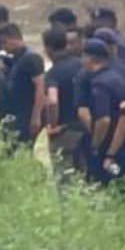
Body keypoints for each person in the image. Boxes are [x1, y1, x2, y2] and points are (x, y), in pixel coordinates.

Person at [84, 39, 125, 192]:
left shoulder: (100, 84)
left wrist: (95, 144)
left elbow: (104, 120)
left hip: (111, 145)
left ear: (90, 58)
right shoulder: (120, 78)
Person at [42, 25, 86, 175]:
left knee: (65, 179)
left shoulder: (53, 74)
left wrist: (52, 124)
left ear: (48, 48)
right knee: (85, 178)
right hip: (85, 129)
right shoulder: (82, 65)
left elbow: (53, 101)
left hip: (64, 133)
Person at [0, 24, 46, 145]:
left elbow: (40, 87)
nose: (3, 47)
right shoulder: (16, 58)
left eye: (5, 42)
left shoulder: (31, 58)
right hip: (15, 113)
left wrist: (36, 116)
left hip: (26, 115)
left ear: (14, 38)